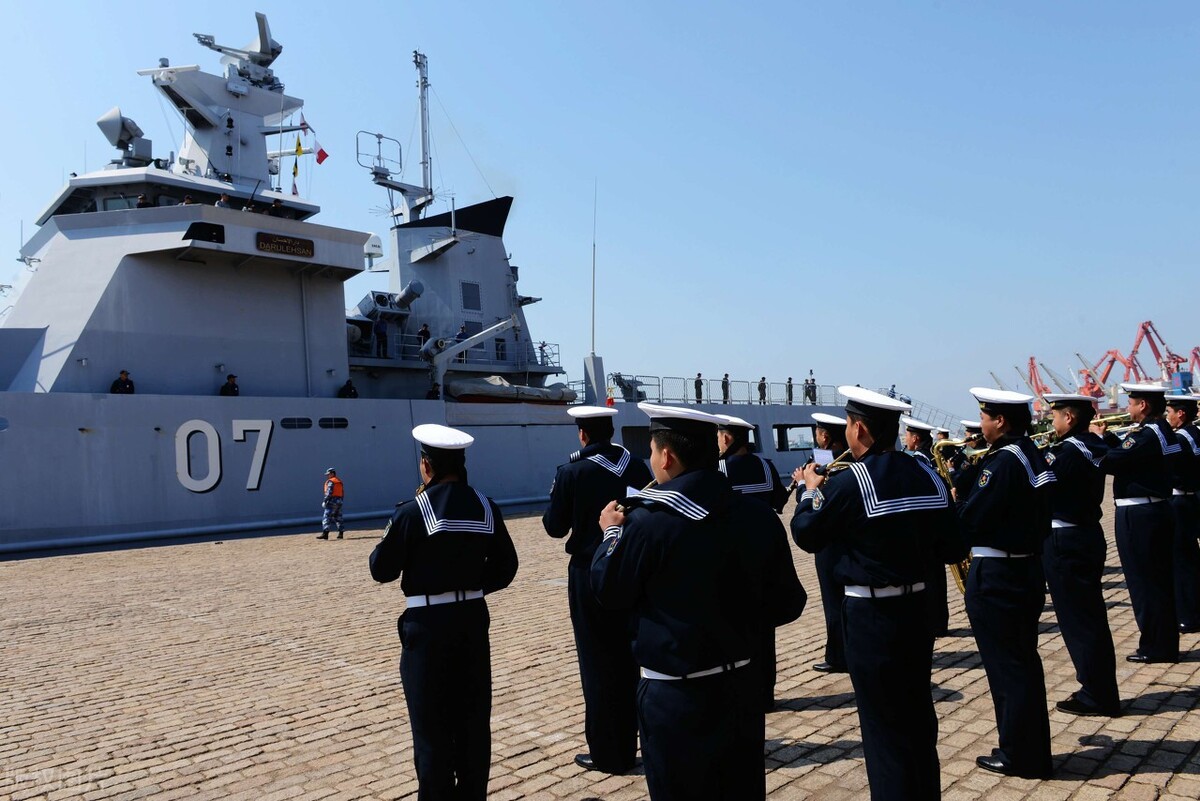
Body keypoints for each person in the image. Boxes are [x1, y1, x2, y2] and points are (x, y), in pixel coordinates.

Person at [591, 402, 805, 800]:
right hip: (742, 686)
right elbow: (789, 604)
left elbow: (608, 591)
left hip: (676, 698)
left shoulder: (647, 521)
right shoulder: (758, 515)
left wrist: (609, 534)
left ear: (667, 456)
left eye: (653, 452)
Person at [791, 387, 959, 800]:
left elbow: (806, 534)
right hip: (918, 608)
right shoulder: (929, 476)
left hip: (873, 617)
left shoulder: (852, 482)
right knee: (919, 719)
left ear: (859, 428)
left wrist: (811, 490)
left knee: (884, 731)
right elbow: (954, 547)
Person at [369, 424, 519, 800]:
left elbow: (380, 569)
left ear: (426, 465)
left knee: (431, 727)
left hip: (428, 625)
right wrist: (470, 588)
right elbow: (507, 566)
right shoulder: (486, 505)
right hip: (471, 620)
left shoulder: (413, 511)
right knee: (472, 723)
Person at [542, 406, 653, 775]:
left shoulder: (572, 471)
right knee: (630, 658)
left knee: (598, 663)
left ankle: (610, 752)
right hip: (631, 565)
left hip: (590, 571)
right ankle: (642, 738)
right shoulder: (637, 466)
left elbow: (555, 527)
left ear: (583, 435)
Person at [956, 387, 1054, 779]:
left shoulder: (1003, 462)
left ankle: (1021, 755)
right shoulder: (1031, 454)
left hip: (999, 576)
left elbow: (969, 519)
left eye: (984, 417)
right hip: (1025, 568)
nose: (980, 424)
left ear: (1000, 420)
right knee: (1023, 665)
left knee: (1009, 669)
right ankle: (1025, 747)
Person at [1040, 393, 1120, 716]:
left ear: (1069, 418)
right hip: (1085, 534)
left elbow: (1041, 488)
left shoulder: (1068, 452)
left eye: (1055, 414)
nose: (1052, 421)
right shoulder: (1089, 445)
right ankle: (1100, 688)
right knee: (1090, 617)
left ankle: (1096, 693)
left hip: (1066, 539)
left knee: (1079, 621)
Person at [715, 414, 794, 711]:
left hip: (730, 555)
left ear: (726, 439)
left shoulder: (718, 469)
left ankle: (741, 692)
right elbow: (778, 503)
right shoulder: (765, 465)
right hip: (763, 553)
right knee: (764, 629)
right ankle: (766, 694)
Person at [1097, 382, 1180, 663]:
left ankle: (1155, 645)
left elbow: (1111, 462)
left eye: (1131, 403)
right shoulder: (1159, 431)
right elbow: (1127, 454)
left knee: (1144, 583)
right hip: (1154, 511)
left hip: (1140, 515)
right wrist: (1109, 439)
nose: (1128, 408)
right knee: (1158, 581)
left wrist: (1096, 440)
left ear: (1142, 405)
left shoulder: (1147, 434)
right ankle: (1164, 643)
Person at [798, 412, 850, 674]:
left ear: (825, 436)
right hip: (852, 540)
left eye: (818, 432)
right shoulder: (852, 460)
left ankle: (838, 655)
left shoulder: (827, 466)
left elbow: (814, 506)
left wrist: (801, 485)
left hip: (830, 544)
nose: (816, 436)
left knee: (833, 601)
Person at [903, 416, 950, 638]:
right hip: (938, 522)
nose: (905, 439)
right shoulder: (932, 457)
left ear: (915, 438)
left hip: (923, 523)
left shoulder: (916, 461)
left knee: (929, 577)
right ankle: (941, 621)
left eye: (907, 435)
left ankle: (934, 622)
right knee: (937, 577)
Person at [1165, 394, 1200, 634]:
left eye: (1169, 412)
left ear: (1181, 413)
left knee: (1181, 561)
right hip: (1192, 498)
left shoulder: (1179, 439)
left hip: (1180, 499)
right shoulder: (1194, 434)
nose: (1167, 416)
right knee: (1189, 559)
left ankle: (1188, 616)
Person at [317, 468, 344, 539]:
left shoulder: (331, 482)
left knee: (326, 517)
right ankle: (341, 533)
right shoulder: (339, 481)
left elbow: (329, 492)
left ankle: (325, 534)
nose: (327, 476)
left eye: (328, 474)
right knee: (338, 517)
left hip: (332, 501)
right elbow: (342, 492)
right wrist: (341, 500)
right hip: (339, 501)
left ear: (332, 474)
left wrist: (325, 500)